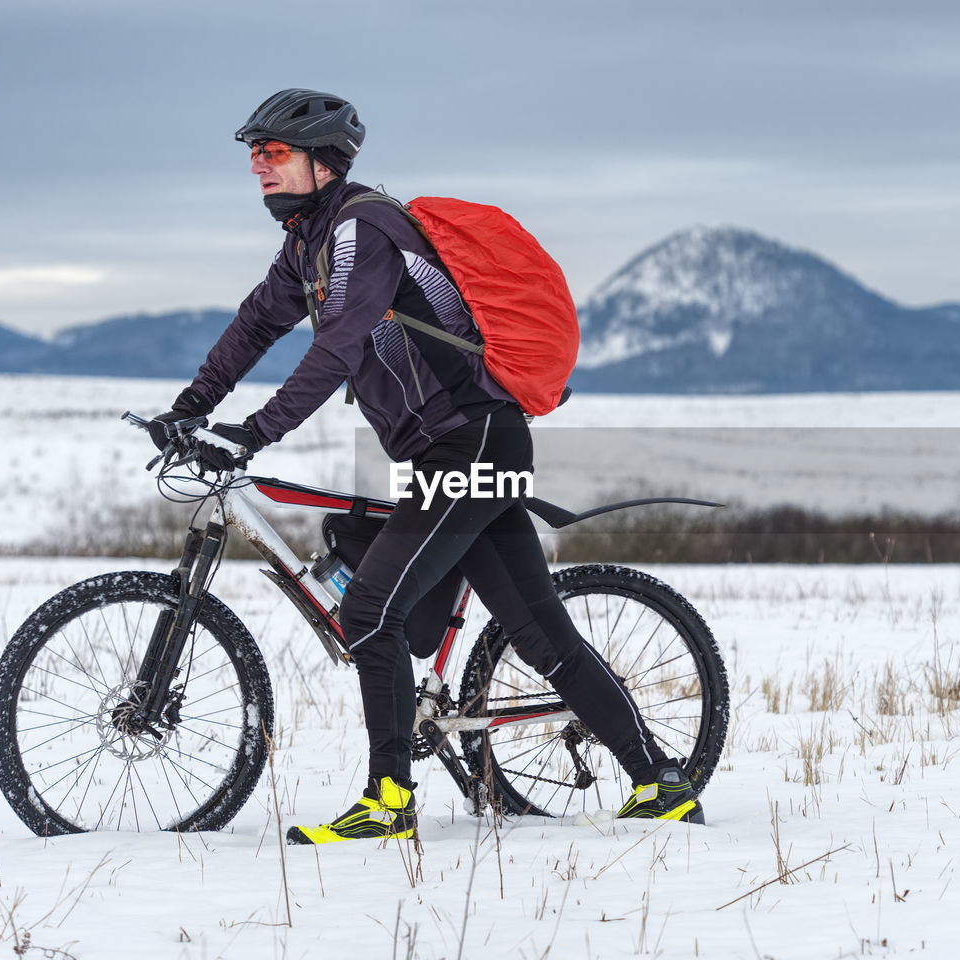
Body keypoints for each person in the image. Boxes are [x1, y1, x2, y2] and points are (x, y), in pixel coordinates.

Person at [148, 88, 703, 844]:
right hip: (465, 447)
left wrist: (252, 433)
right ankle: (662, 785)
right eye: (254, 155)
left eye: (274, 153)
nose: (259, 168)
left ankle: (388, 803)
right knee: (540, 636)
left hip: (467, 445)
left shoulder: (361, 228)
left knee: (369, 613)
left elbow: (338, 344)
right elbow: (256, 324)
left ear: (322, 159)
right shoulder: (309, 240)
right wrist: (191, 405)